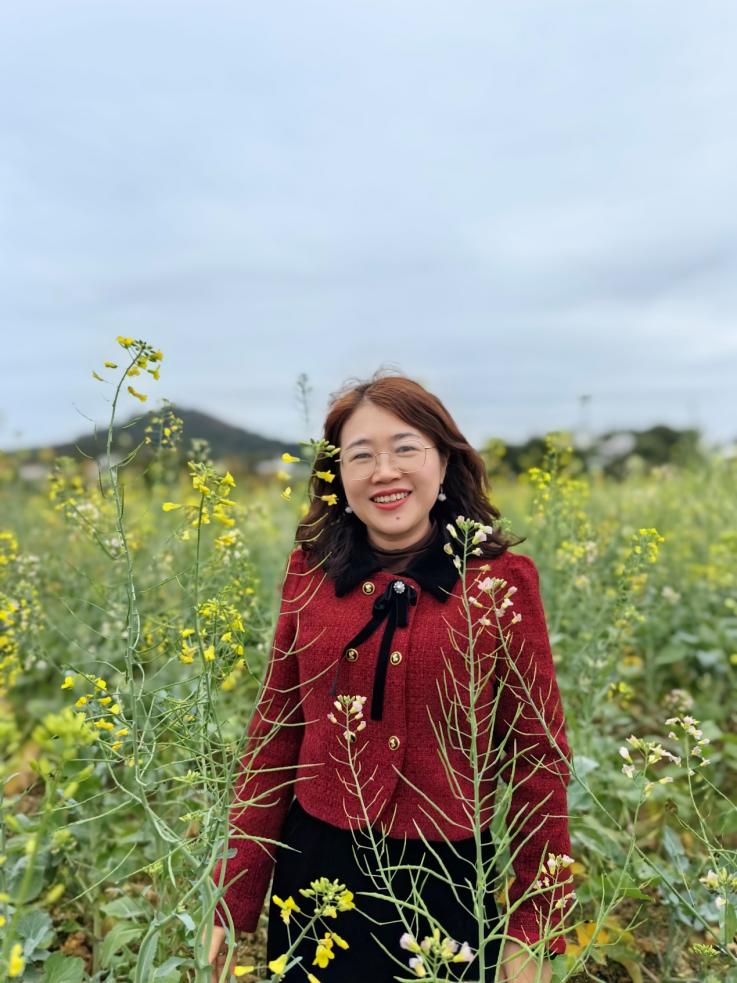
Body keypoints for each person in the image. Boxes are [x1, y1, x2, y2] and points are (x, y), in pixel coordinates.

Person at [207, 372, 574, 982]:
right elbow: (275, 732)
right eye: (361, 455)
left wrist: (536, 921)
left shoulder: (501, 582)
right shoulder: (310, 574)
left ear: (443, 461)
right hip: (316, 874)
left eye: (406, 448)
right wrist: (233, 896)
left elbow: (538, 754)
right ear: (338, 475)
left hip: (449, 878)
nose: (384, 471)